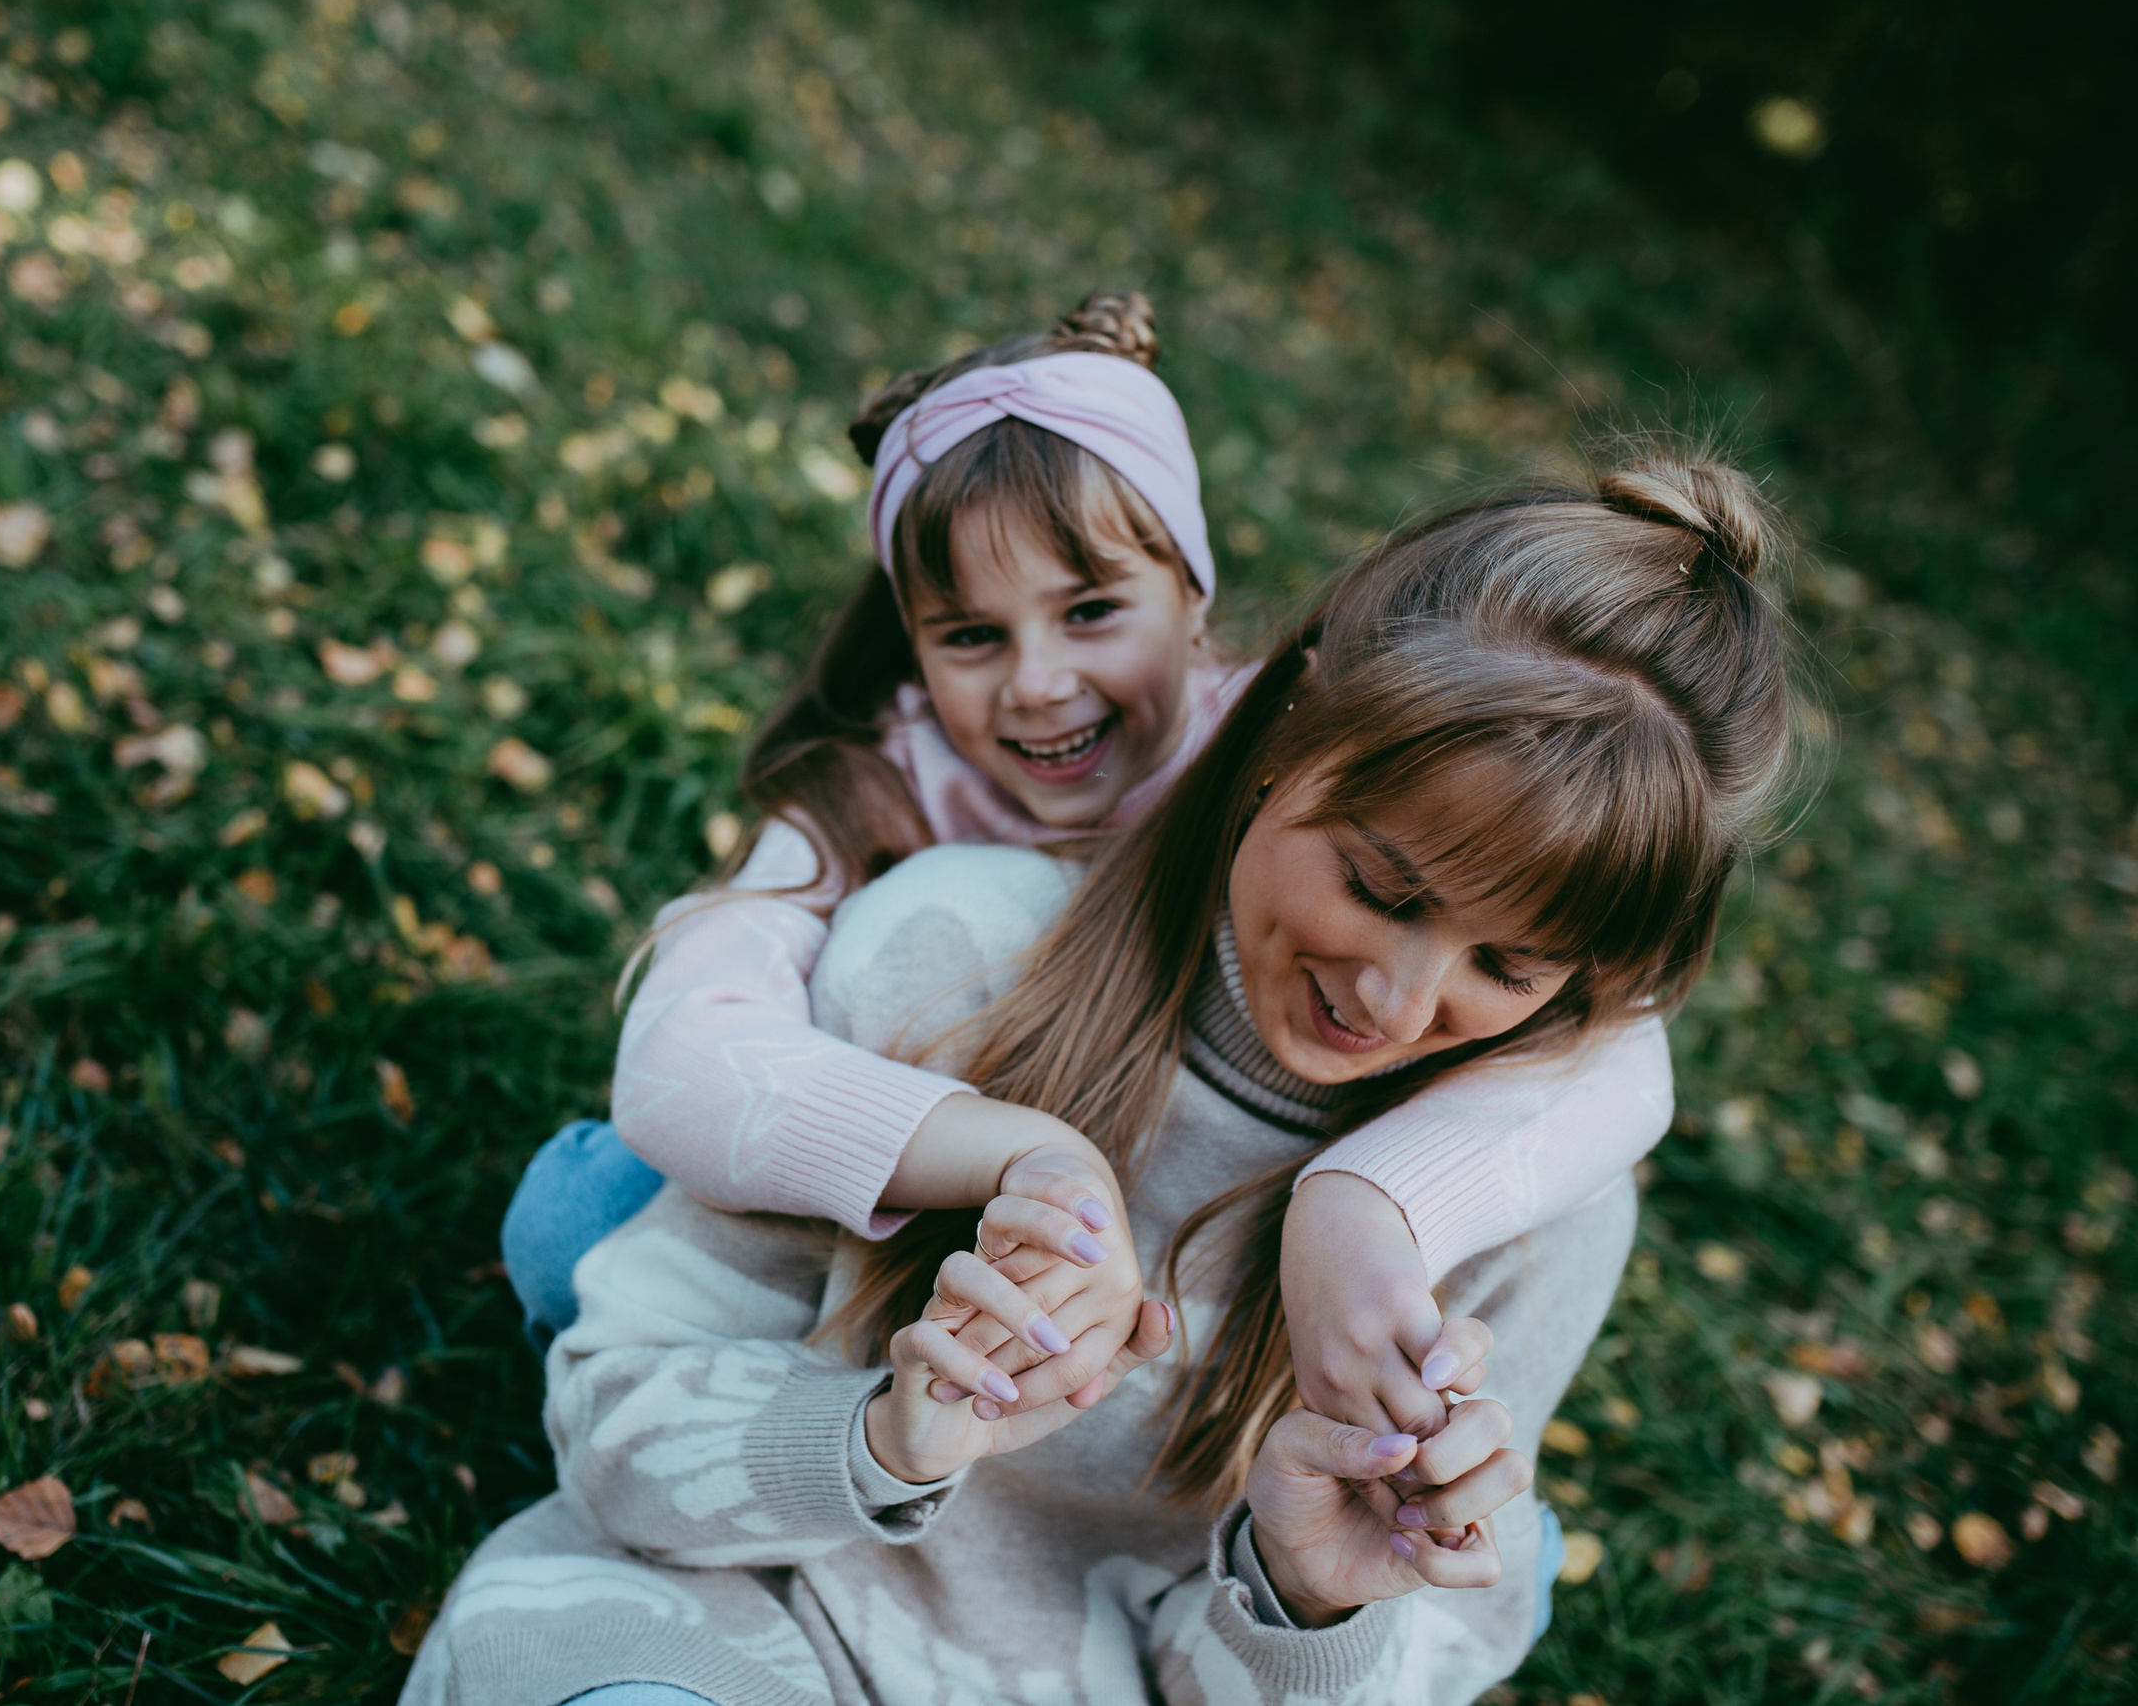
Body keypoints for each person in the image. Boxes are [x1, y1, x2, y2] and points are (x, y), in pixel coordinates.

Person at [413, 451, 1806, 1705]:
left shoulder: (1543, 1211)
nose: (1394, 999)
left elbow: (1390, 1656)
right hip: (729, 1626)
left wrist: (1303, 1594)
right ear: (1286, 732)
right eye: (1382, 886)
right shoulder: (949, 949)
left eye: (1509, 964)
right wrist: (880, 1435)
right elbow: (617, 1426)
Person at [504, 294, 1674, 1445]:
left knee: (1484, 1521)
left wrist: (1378, 1199)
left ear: (1192, 588)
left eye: (1093, 610)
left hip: (1180, 1238)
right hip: (931, 1201)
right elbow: (675, 1057)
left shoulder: (1294, 755)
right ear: (913, 642)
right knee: (574, 1214)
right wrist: (1009, 1151)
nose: (1038, 683)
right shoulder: (873, 791)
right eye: (972, 634)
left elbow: (1620, 1039)